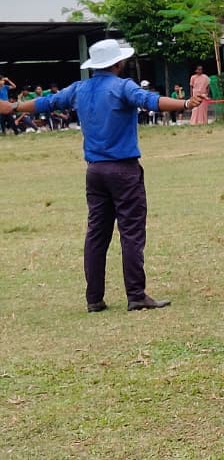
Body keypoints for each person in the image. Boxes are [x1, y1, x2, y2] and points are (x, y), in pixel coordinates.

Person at [1, 39, 204, 312]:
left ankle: (94, 298)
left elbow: (47, 103)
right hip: (124, 169)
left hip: (94, 171)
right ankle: (136, 295)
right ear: (118, 63)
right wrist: (186, 103)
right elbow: (151, 101)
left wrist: (14, 108)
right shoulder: (123, 86)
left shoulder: (79, 89)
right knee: (131, 233)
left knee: (96, 234)